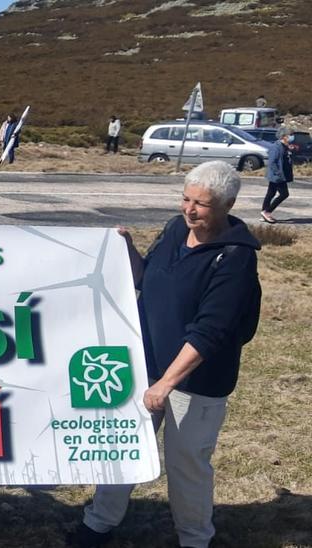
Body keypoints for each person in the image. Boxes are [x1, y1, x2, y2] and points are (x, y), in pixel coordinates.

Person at [70, 160, 262, 548]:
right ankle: (100, 522)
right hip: (147, 364)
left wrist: (166, 384)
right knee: (124, 444)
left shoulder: (236, 259)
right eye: (186, 199)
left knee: (186, 462)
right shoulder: (177, 229)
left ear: (227, 205)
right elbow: (145, 280)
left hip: (196, 382)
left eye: (201, 204)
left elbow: (210, 332)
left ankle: (194, 539)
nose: (189, 210)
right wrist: (126, 249)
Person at [260, 129, 295, 223]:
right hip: (278, 176)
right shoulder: (276, 147)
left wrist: (290, 150)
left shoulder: (285, 146)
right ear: (284, 136)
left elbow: (286, 158)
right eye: (290, 135)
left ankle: (264, 213)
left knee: (270, 193)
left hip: (280, 174)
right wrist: (279, 173)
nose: (292, 137)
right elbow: (272, 162)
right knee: (284, 194)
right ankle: (267, 211)